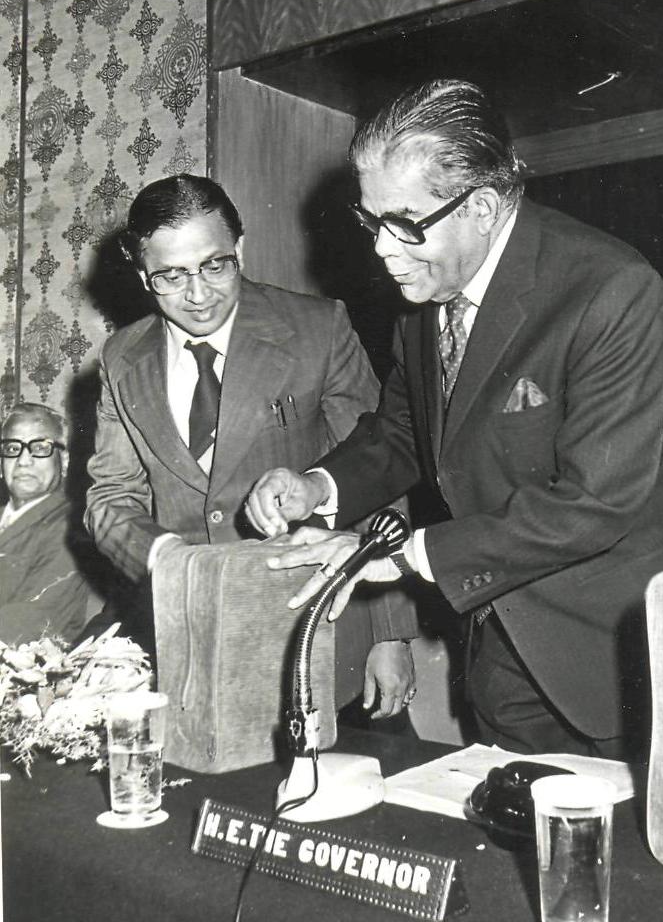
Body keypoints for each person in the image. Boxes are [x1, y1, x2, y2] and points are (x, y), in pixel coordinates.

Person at [245, 78, 663, 759]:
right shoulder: (425, 290)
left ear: (481, 206)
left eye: (405, 223)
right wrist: (318, 487)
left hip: (627, 643)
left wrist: (402, 555)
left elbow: (595, 502)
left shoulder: (610, 288)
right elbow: (406, 431)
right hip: (506, 624)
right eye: (371, 221)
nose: (383, 250)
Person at [84, 174, 417, 718]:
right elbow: (110, 499)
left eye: (214, 265)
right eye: (170, 276)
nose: (198, 295)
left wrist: (391, 633)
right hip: (192, 642)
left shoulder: (318, 328)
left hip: (318, 631)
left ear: (239, 249)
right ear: (143, 276)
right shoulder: (120, 358)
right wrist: (167, 560)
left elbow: (381, 471)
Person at [1, 403, 95, 646]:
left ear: (64, 460)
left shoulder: (73, 528)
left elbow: (28, 623)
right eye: (12, 448)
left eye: (40, 448)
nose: (23, 461)